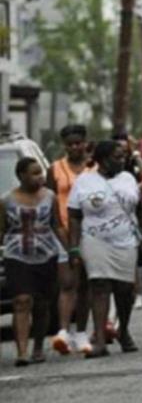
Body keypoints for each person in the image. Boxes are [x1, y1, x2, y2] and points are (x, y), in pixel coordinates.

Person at [68, 141, 142, 356]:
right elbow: (74, 216)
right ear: (101, 159)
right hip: (94, 239)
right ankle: (99, 339)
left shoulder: (128, 178)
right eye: (116, 157)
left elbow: (139, 208)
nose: (121, 161)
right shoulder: (84, 181)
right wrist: (73, 247)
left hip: (126, 239)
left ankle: (124, 330)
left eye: (123, 157)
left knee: (124, 290)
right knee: (99, 286)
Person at [1, 157, 64, 366]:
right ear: (21, 176)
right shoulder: (6, 200)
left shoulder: (50, 197)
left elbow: (57, 225)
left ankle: (38, 346)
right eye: (34, 173)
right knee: (22, 300)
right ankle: (22, 351)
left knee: (42, 304)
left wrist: (72, 250)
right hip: (16, 255)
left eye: (41, 173)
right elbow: (1, 231)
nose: (40, 177)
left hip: (46, 254)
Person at [48, 124, 94, 356]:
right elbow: (49, 200)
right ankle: (64, 332)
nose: (75, 147)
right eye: (70, 144)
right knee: (68, 283)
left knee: (85, 285)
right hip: (63, 231)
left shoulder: (94, 167)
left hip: (92, 232)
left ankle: (82, 332)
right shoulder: (55, 168)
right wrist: (63, 237)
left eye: (78, 143)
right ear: (64, 145)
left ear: (85, 143)